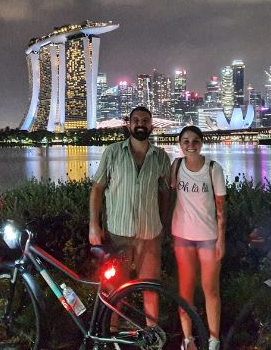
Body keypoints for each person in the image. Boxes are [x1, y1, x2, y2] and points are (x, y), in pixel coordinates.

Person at [89, 106, 171, 325]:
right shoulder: (113, 152)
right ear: (129, 124)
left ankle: (152, 336)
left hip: (150, 234)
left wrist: (164, 223)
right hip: (118, 234)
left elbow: (165, 191)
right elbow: (97, 189)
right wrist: (93, 225)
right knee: (115, 290)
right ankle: (112, 336)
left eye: (145, 120)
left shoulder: (161, 157)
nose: (141, 124)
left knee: (150, 288)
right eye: (136, 120)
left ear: (151, 125)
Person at [171, 125, 225, 350]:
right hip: (181, 235)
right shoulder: (176, 166)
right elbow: (168, 194)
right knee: (185, 290)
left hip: (208, 237)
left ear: (202, 143)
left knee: (210, 289)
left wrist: (221, 239)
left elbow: (221, 208)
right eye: (185, 141)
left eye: (195, 141)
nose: (190, 145)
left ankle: (213, 339)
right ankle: (188, 339)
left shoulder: (213, 168)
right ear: (180, 144)